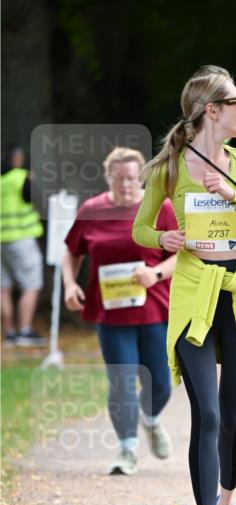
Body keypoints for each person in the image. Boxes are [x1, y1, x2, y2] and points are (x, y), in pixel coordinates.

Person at [132, 65, 236, 505]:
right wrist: (164, 239)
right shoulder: (168, 168)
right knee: (208, 413)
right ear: (211, 111)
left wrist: (234, 196)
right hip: (195, 294)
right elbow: (141, 229)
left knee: (234, 412)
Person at [62, 147, 178, 475]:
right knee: (122, 381)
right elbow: (71, 252)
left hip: (154, 308)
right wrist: (71, 285)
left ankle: (151, 420)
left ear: (140, 177)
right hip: (110, 314)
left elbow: (181, 254)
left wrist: (154, 274)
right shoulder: (92, 209)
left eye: (131, 178)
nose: (126, 185)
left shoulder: (161, 208)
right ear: (108, 177)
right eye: (119, 178)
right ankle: (127, 449)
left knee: (161, 383)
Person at [0, 146, 46, 346]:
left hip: (1, 241)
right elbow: (36, 200)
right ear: (16, 159)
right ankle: (25, 331)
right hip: (21, 239)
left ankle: (9, 334)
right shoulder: (22, 177)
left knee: (3, 288)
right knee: (32, 285)